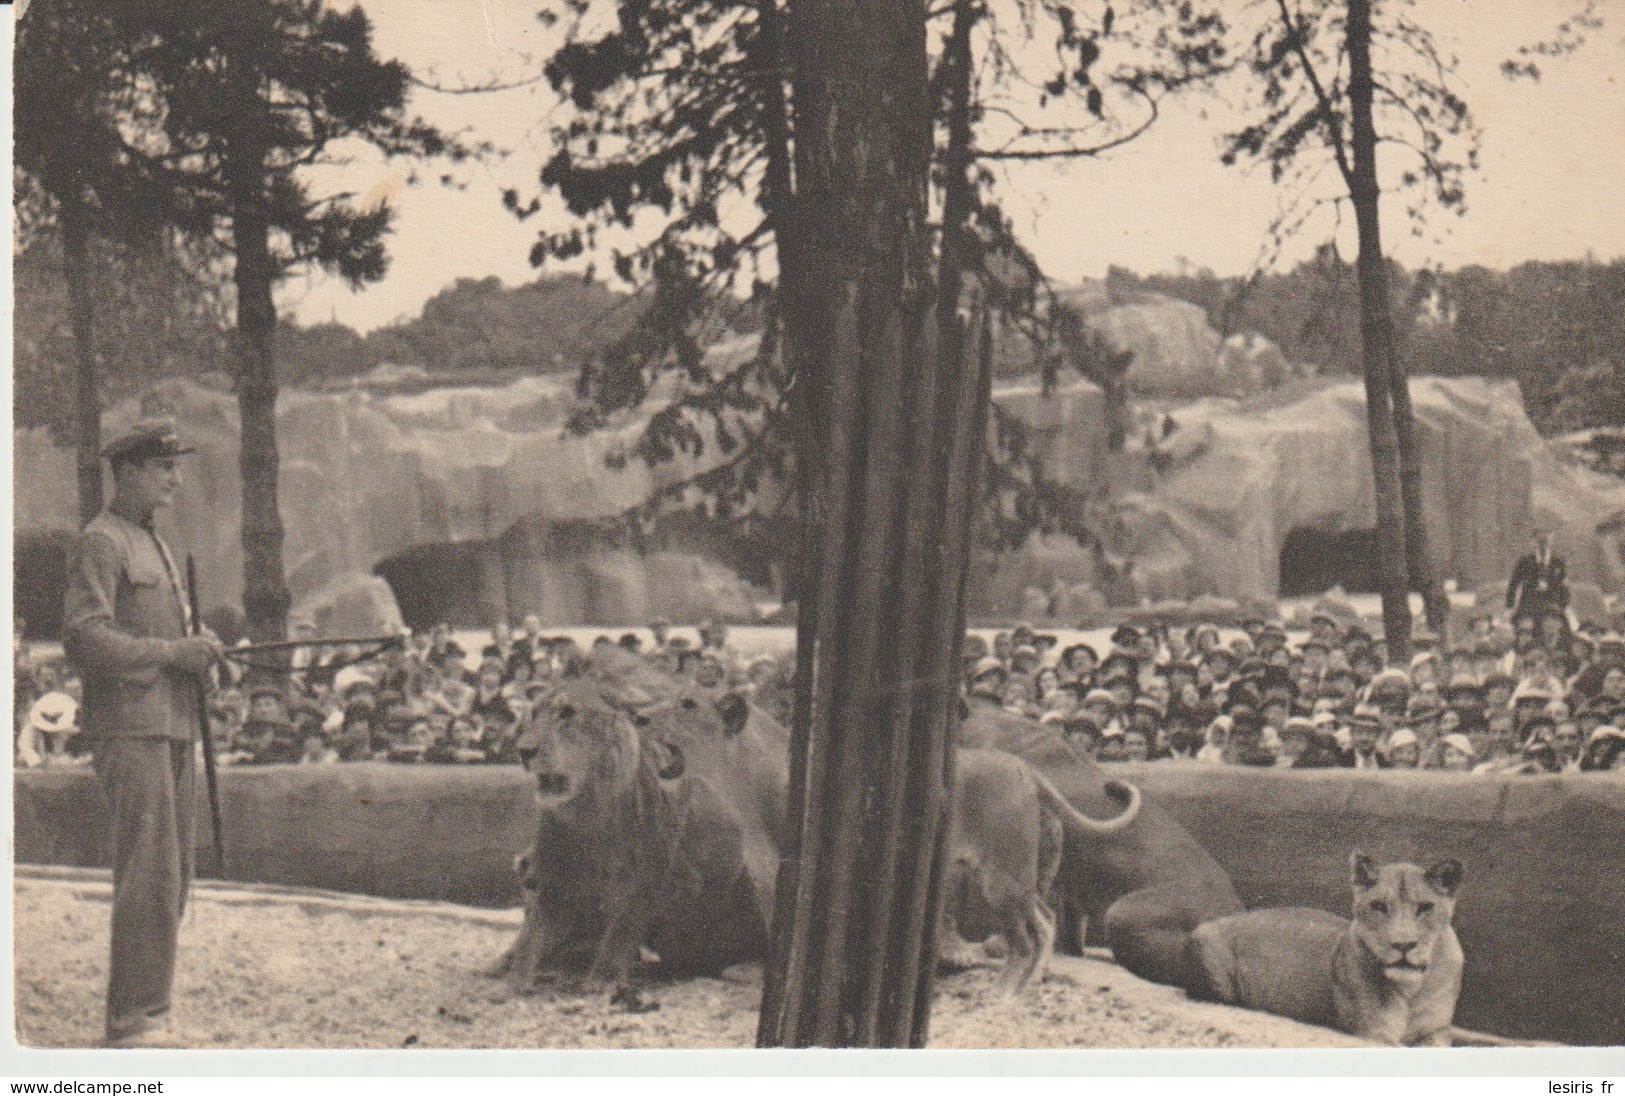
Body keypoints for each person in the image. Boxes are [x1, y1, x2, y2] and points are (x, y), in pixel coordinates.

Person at [60, 419, 224, 1048]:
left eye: (175, 469)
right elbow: (84, 636)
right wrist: (170, 653)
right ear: (126, 471)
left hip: (173, 722)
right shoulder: (103, 542)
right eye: (162, 469)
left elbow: (166, 636)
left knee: (174, 874)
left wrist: (199, 652)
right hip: (132, 727)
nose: (174, 482)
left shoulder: (150, 540)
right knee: (148, 873)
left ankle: (150, 1010)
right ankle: (134, 1022)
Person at [1507, 528, 1568, 627]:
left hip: (1551, 604)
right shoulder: (1525, 561)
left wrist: (1564, 605)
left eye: (1546, 540)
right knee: (1522, 628)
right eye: (1539, 540)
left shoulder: (1558, 561)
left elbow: (1563, 585)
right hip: (1529, 604)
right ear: (1533, 541)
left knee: (1562, 627)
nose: (1543, 544)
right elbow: (1514, 584)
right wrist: (1510, 606)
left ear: (1551, 540)